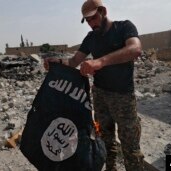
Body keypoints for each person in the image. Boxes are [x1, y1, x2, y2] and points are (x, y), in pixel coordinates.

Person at [44, 0, 144, 170]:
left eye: (93, 18)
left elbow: (135, 49)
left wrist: (99, 62)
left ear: (103, 11)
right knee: (105, 141)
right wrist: (57, 62)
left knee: (130, 146)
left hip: (123, 98)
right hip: (100, 96)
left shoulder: (124, 27)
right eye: (87, 21)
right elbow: (74, 61)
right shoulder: (91, 38)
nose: (91, 24)